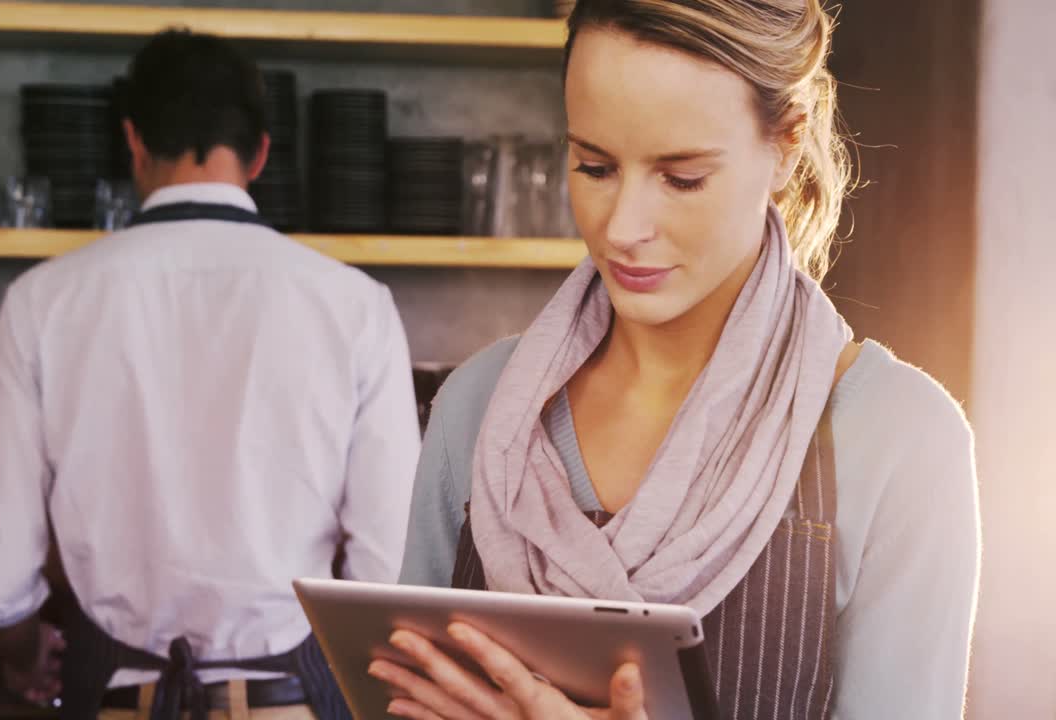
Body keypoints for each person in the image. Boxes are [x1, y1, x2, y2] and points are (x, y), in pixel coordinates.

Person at [385, 1, 980, 718]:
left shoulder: (900, 440)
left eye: (682, 177)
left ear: (785, 146)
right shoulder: (476, 408)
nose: (623, 228)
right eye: (595, 166)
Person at [0, 30, 420, 720]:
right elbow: (390, 572)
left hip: (113, 693)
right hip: (292, 699)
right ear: (262, 153)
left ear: (134, 143)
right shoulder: (355, 306)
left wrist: (23, 655)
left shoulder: (42, 302)